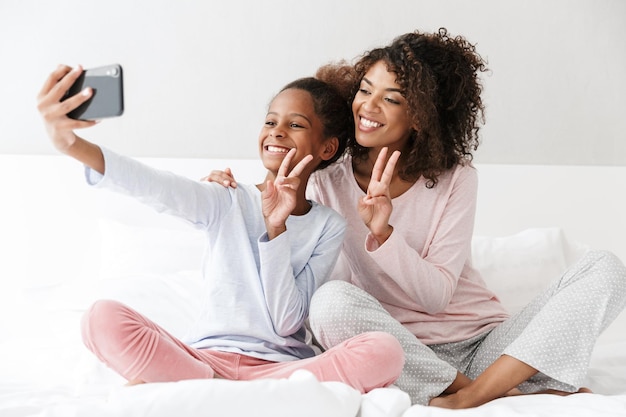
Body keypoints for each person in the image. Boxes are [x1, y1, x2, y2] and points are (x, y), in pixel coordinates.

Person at [204, 28, 626, 408]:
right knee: (329, 303)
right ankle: (501, 389)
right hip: (397, 349)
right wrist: (227, 192)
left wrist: (383, 233)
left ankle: (476, 393)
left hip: (486, 344)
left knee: (605, 268)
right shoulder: (326, 181)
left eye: (391, 98)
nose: (367, 107)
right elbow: (275, 216)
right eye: (364, 90)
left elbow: (436, 297)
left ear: (421, 115)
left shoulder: (455, 179)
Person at [35, 64, 405, 393]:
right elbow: (155, 186)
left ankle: (209, 394)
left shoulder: (328, 225)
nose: (276, 132)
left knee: (385, 351)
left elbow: (287, 320)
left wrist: (276, 228)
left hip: (283, 370)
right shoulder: (225, 198)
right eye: (270, 121)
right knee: (100, 317)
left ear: (327, 148)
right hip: (204, 360)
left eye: (295, 125)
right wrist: (71, 144)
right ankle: (219, 390)